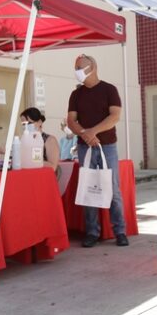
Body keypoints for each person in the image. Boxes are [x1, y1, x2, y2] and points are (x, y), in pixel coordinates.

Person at [67, 54, 128, 248]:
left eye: (80, 67)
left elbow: (115, 116)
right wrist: (85, 135)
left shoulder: (109, 89)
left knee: (113, 189)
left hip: (107, 146)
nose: (77, 70)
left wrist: (93, 131)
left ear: (92, 67)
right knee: (88, 188)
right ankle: (92, 232)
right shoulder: (76, 94)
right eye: (75, 67)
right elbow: (71, 120)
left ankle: (120, 231)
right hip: (85, 147)